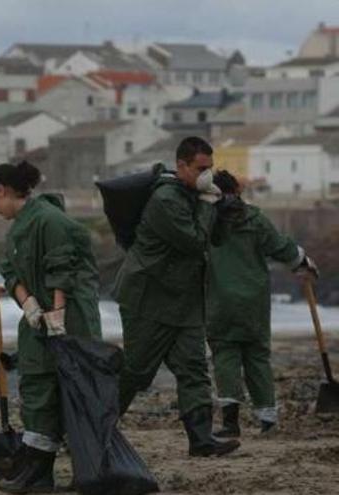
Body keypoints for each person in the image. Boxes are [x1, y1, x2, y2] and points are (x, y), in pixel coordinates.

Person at [113, 136, 240, 457]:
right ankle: (93, 427)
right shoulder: (166, 200)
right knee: (137, 371)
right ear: (181, 165)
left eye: (210, 169)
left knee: (194, 367)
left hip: (183, 299)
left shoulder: (195, 195)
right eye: (200, 169)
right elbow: (195, 241)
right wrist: (208, 206)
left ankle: (201, 439)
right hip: (149, 299)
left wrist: (224, 206)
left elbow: (217, 239)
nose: (206, 175)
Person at [0, 161, 102, 494]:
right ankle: (38, 473)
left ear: (3, 191)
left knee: (72, 394)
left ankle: (78, 470)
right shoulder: (20, 226)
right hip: (38, 323)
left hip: (70, 321)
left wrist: (58, 313)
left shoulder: (50, 221)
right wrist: (29, 304)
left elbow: (61, 267)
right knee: (37, 388)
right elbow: (11, 271)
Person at [207, 170, 319, 437]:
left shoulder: (206, 219)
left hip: (219, 300)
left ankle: (231, 424)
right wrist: (303, 263)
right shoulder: (254, 218)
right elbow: (280, 247)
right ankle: (268, 420)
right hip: (253, 301)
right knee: (257, 356)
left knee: (225, 356)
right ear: (238, 190)